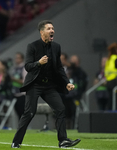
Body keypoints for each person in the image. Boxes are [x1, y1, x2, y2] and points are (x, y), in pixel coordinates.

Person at [11, 20, 81, 148]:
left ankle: (63, 141)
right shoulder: (32, 46)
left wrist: (67, 83)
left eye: (53, 28)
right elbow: (27, 66)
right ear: (41, 32)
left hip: (49, 86)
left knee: (60, 109)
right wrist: (38, 63)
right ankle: (16, 142)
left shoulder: (56, 47)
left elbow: (59, 68)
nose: (52, 30)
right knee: (29, 113)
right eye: (49, 28)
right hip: (35, 85)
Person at [11, 52, 26, 120]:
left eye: (18, 58)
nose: (16, 60)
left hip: (22, 94)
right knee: (17, 112)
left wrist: (15, 79)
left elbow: (25, 81)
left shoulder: (24, 68)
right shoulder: (14, 69)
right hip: (15, 93)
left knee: (22, 112)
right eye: (16, 58)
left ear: (22, 59)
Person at [104, 42, 117, 110]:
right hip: (114, 81)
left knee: (111, 100)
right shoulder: (115, 58)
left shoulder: (109, 59)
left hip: (109, 81)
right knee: (113, 100)